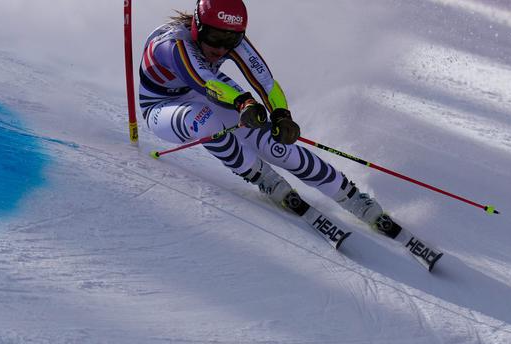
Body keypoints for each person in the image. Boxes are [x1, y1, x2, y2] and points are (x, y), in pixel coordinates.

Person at [140, 0, 383, 225]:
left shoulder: (227, 40)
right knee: (205, 122)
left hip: (211, 92)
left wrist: (281, 115)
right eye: (214, 37)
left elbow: (266, 82)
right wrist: (243, 102)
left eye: (231, 40)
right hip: (162, 104)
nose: (221, 48)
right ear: (198, 27)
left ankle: (349, 196)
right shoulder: (172, 45)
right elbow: (203, 80)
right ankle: (264, 178)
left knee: (270, 140)